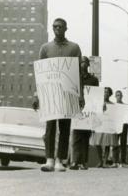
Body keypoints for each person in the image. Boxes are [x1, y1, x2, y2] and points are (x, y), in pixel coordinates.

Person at [33, 18, 84, 172]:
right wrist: (37, 95)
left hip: (67, 93)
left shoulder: (74, 48)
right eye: (54, 26)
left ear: (66, 28)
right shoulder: (45, 48)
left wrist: (80, 95)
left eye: (60, 26)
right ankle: (49, 159)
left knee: (65, 128)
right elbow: (40, 74)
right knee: (50, 128)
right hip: (50, 93)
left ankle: (59, 160)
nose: (57, 29)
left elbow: (78, 74)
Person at [69, 56, 99, 170]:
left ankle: (83, 162)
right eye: (81, 63)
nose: (83, 65)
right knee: (76, 136)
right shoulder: (75, 79)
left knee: (85, 136)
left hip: (88, 110)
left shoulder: (93, 80)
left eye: (85, 63)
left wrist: (95, 111)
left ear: (88, 65)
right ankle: (75, 161)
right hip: (77, 109)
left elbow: (96, 96)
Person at [92, 87, 118, 168]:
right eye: (104, 92)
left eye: (107, 92)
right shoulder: (97, 103)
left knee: (107, 143)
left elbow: (114, 116)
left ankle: (104, 161)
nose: (105, 93)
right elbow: (94, 114)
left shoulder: (112, 105)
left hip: (108, 125)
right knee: (97, 143)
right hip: (99, 125)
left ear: (110, 94)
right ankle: (100, 160)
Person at [112, 89, 128, 168]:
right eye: (117, 95)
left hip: (123, 126)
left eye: (120, 95)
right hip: (115, 126)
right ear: (115, 96)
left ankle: (123, 161)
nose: (118, 97)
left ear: (122, 96)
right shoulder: (113, 106)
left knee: (123, 144)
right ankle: (115, 161)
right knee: (115, 144)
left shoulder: (125, 106)